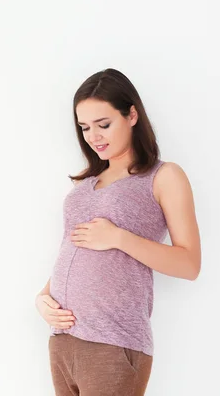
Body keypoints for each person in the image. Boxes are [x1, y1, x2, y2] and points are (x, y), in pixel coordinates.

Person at [35, 68, 201, 396]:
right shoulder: (85, 184)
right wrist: (43, 297)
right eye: (84, 127)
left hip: (113, 343)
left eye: (104, 124)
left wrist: (119, 238)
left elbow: (190, 264)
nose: (93, 136)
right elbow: (73, 246)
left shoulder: (163, 176)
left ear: (132, 115)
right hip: (63, 341)